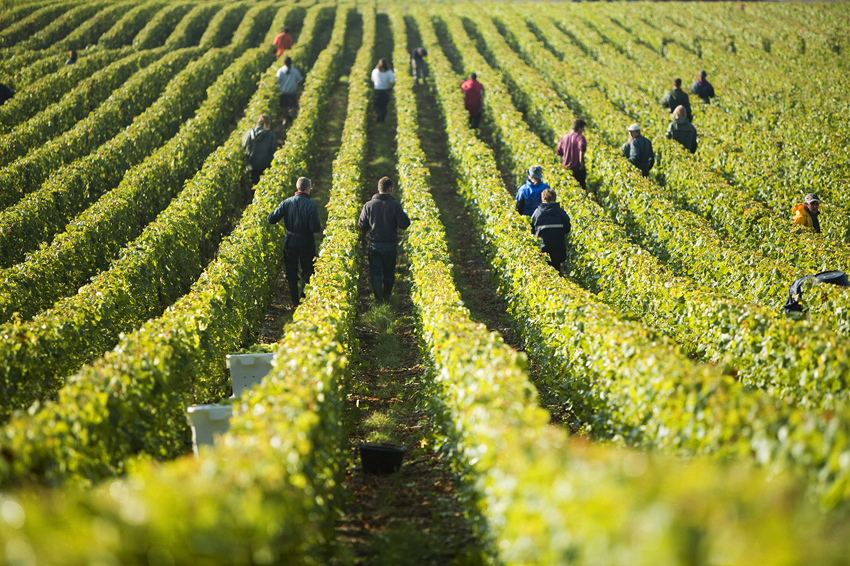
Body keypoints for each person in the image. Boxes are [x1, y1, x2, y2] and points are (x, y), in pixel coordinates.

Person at [268, 177, 322, 307]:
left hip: (290, 240)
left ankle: (294, 302)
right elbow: (315, 228)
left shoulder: (286, 203)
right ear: (308, 188)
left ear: (297, 187)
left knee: (291, 271)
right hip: (306, 241)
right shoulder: (311, 205)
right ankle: (304, 297)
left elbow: (271, 219)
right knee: (307, 269)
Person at [358, 176, 411, 305]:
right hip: (390, 245)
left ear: (379, 189)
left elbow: (361, 225)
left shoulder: (368, 205)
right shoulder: (395, 205)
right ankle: (387, 298)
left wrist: (363, 240)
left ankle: (378, 300)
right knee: (389, 273)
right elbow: (404, 224)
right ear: (390, 189)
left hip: (374, 244)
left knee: (375, 273)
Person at [531, 189, 571, 275]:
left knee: (544, 275)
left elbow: (532, 231)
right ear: (555, 199)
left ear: (542, 199)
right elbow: (567, 228)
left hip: (543, 251)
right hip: (558, 250)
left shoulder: (537, 213)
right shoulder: (561, 213)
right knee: (557, 273)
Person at [241, 114, 277, 186]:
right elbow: (274, 150)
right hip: (265, 165)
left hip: (251, 165)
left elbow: (243, 146)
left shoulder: (249, 133)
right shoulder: (270, 135)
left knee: (254, 184)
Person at [556, 118, 588, 192]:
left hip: (566, 168)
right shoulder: (580, 138)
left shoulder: (564, 137)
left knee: (568, 190)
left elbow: (559, 152)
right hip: (577, 168)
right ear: (579, 128)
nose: (583, 130)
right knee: (581, 190)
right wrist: (581, 163)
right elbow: (582, 149)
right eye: (583, 128)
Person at [276, 56, 303, 124]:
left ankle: (285, 119)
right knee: (293, 106)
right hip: (292, 92)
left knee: (284, 107)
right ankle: (290, 117)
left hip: (283, 92)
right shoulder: (294, 70)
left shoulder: (280, 71)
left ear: (284, 62)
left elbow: (277, 81)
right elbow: (299, 79)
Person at [371, 58, 395, 123]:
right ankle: (382, 119)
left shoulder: (375, 71)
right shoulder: (389, 72)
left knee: (376, 104)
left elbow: (372, 80)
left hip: (377, 90)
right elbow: (393, 81)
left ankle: (378, 116)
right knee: (384, 106)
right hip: (385, 91)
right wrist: (390, 88)